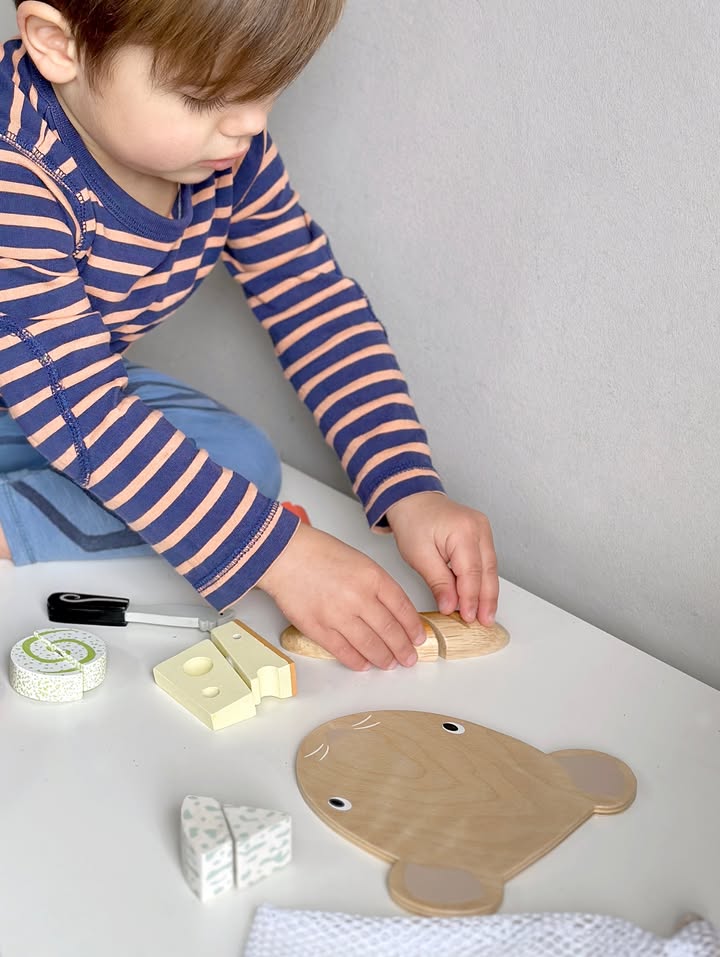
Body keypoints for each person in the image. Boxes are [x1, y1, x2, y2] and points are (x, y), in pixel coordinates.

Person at [0, 0, 498, 671]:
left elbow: (311, 300)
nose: (252, 123)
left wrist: (409, 485)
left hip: (38, 389)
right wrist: (276, 553)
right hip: (57, 395)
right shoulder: (15, 170)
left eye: (266, 88)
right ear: (57, 45)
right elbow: (82, 410)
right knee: (190, 485)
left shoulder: (231, 153)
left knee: (242, 460)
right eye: (204, 95)